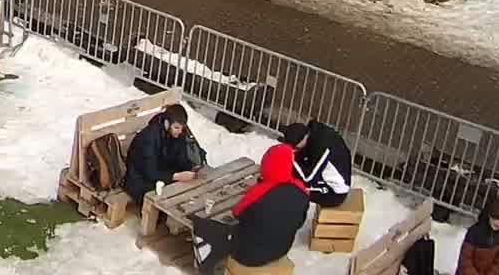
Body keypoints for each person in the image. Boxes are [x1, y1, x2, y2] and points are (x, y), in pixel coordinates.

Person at [191, 143, 310, 275]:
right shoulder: (301, 190)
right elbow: (299, 222)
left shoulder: (259, 193)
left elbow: (237, 213)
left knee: (205, 225)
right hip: (281, 249)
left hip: (247, 256)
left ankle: (205, 266)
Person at [123, 103, 207, 203]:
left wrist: (192, 168)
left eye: (182, 128)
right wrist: (175, 176)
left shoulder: (178, 134)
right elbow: (150, 172)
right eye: (176, 127)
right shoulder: (149, 137)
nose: (180, 131)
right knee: (168, 198)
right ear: (167, 123)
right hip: (139, 180)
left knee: (193, 189)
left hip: (162, 173)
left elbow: (181, 159)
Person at [280, 120, 353, 206]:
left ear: (305, 137)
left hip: (334, 192)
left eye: (296, 146)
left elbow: (307, 177)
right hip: (323, 177)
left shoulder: (322, 147)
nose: (295, 149)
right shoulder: (314, 134)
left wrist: (288, 158)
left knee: (288, 188)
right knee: (288, 179)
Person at [457, 197, 499, 275]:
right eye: (495, 218)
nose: (498, 223)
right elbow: (465, 259)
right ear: (489, 215)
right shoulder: (475, 231)